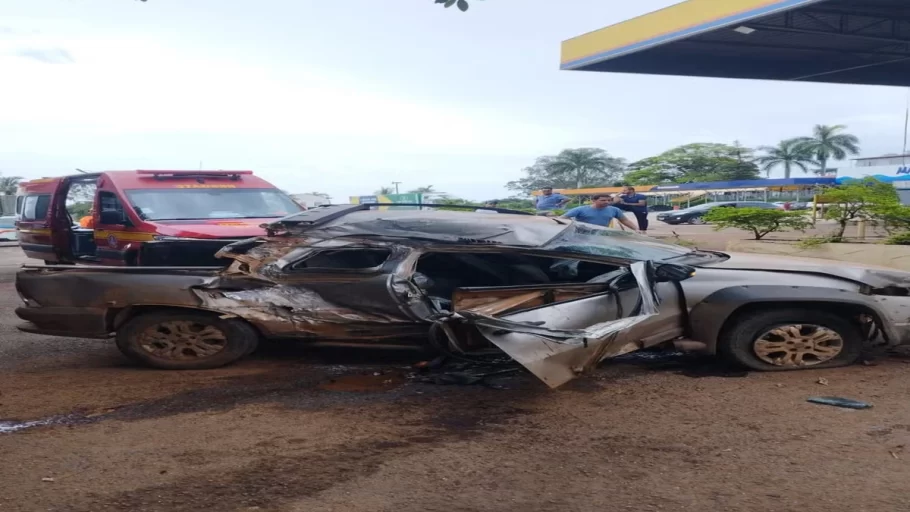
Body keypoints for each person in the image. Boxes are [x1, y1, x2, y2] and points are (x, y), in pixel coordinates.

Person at [561, 194, 638, 230]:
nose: (606, 202)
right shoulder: (580, 209)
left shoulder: (614, 210)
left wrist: (636, 229)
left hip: (602, 234)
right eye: (603, 200)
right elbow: (563, 218)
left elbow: (625, 220)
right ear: (594, 201)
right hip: (581, 235)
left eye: (608, 200)